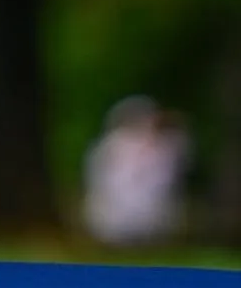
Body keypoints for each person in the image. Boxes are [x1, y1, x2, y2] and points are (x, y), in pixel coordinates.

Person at [82, 96, 191, 248]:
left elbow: (170, 170)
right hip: (118, 209)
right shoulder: (113, 144)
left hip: (151, 210)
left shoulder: (163, 145)